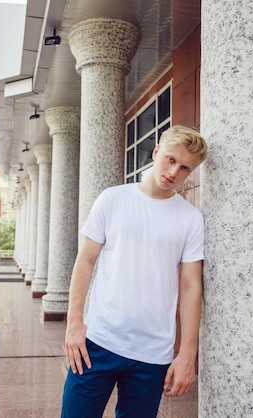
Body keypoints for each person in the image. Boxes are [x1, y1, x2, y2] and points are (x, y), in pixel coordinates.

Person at [61, 125, 208, 418]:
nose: (173, 171)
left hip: (152, 355)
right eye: (170, 159)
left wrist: (187, 355)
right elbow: (86, 260)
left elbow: (192, 286)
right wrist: (74, 323)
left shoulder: (191, 219)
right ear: (156, 153)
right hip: (98, 343)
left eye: (184, 168)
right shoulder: (113, 199)